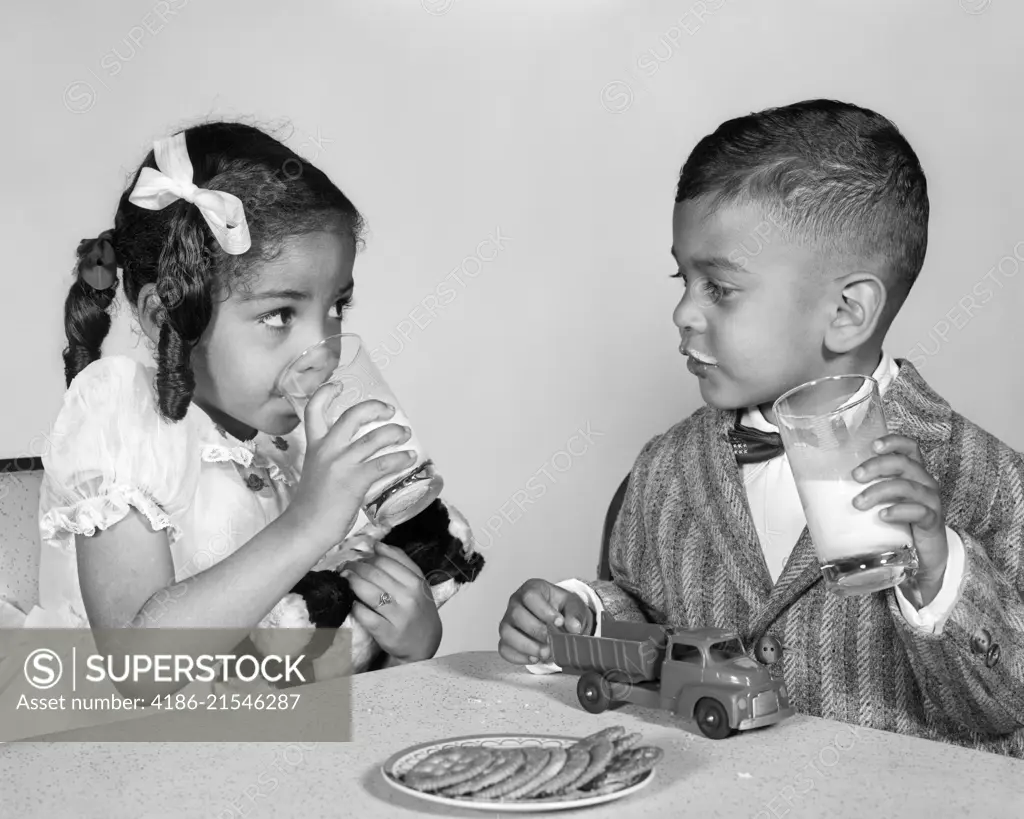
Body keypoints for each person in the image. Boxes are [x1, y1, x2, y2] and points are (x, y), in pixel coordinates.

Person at [498, 99, 1024, 757]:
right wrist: (583, 616)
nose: (683, 311)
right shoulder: (666, 467)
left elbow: (1006, 708)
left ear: (846, 311)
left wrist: (942, 570)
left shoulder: (990, 481)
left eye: (718, 287)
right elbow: (650, 617)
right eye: (681, 278)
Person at [22, 123, 468, 685]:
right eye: (280, 314)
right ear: (167, 317)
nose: (321, 350)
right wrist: (307, 525)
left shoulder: (296, 448)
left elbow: (303, 672)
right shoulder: (123, 419)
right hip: (112, 754)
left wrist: (406, 649)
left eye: (337, 308)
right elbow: (140, 674)